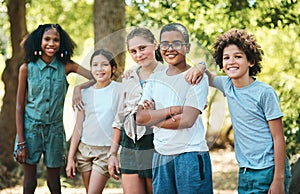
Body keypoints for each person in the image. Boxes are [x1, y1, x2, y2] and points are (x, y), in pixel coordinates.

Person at [192, 29, 291, 193]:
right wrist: (201, 65)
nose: (231, 61)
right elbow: (207, 77)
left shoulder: (264, 93)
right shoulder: (227, 85)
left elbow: (279, 137)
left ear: (251, 61)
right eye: (226, 58)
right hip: (244, 171)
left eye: (238, 56)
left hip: (268, 170)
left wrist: (278, 179)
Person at [15, 24, 93, 194]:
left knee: (54, 183)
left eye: (56, 40)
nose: (51, 43)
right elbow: (20, 106)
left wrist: (79, 88)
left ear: (61, 42)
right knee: (29, 183)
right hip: (30, 130)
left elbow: (96, 77)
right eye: (47, 39)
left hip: (55, 131)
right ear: (39, 41)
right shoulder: (27, 68)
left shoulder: (67, 66)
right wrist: (21, 141)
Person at [136, 23, 213, 194]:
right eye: (165, 44)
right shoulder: (154, 79)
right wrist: (173, 110)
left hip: (190, 156)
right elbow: (140, 118)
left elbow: (186, 120)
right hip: (161, 156)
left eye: (177, 43)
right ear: (159, 46)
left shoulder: (195, 77)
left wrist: (153, 120)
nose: (170, 49)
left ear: (187, 47)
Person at [107, 27, 165, 194]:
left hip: (155, 143)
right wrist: (112, 154)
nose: (138, 54)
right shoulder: (129, 76)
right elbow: (119, 119)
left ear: (155, 45)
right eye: (133, 51)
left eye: (142, 48)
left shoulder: (168, 73)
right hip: (130, 143)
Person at [66, 49, 121, 193]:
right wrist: (71, 158)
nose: (99, 69)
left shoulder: (120, 90)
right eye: (95, 65)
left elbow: (119, 123)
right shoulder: (83, 93)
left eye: (104, 65)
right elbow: (78, 127)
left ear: (113, 68)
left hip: (105, 151)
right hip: (84, 150)